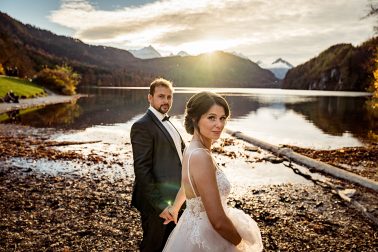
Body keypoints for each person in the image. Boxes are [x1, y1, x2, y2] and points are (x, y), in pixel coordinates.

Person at [161, 91, 263, 251]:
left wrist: (175, 208)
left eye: (223, 118)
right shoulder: (201, 156)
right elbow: (218, 221)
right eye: (211, 117)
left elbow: (187, 184)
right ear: (195, 119)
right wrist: (240, 245)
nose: (219, 124)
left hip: (191, 227)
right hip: (208, 237)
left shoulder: (192, 149)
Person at [130, 78, 186, 252]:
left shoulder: (169, 122)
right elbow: (142, 170)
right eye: (161, 96)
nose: (166, 101)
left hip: (175, 198)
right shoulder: (142, 126)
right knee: (153, 246)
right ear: (150, 97)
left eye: (169, 97)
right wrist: (161, 205)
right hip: (157, 203)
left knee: (170, 245)